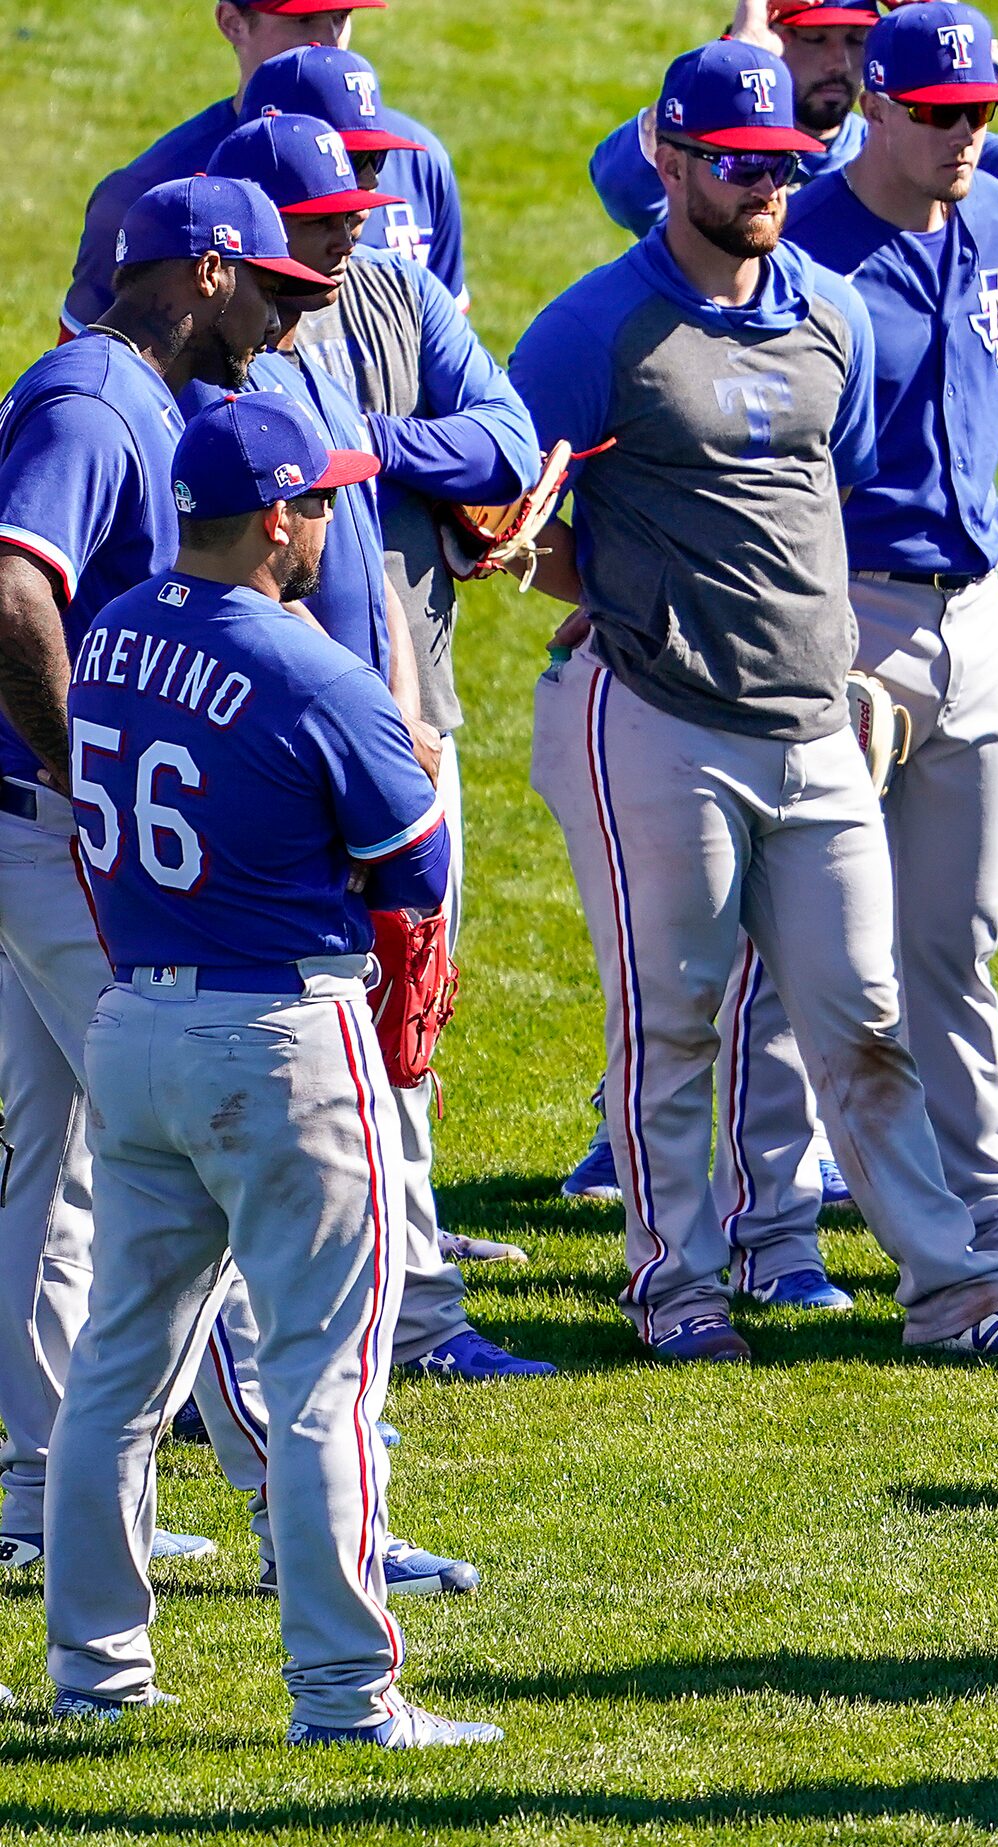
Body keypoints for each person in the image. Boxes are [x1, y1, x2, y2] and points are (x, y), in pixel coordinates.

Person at [513, 41, 998, 1365]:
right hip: (657, 718)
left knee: (865, 1016)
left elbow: (833, 492)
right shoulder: (597, 327)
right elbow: (509, 509)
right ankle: (682, 1294)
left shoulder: (829, 313)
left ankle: (957, 1299)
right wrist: (609, 592)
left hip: (811, 719)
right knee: (673, 1021)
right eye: (735, 161)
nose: (765, 181)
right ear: (667, 160)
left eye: (781, 159)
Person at [42, 391, 499, 1749]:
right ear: (283, 517)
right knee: (323, 1376)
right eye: (321, 503)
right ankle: (349, 1697)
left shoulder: (111, 632)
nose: (331, 525)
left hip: (135, 1023)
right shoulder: (312, 675)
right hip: (279, 1039)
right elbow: (415, 861)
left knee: (119, 1370)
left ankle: (96, 1674)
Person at [739, 0, 998, 1301]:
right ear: (877, 109)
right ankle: (775, 1232)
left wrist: (993, 64)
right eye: (944, 116)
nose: (968, 138)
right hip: (845, 612)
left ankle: (990, 1220)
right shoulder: (807, 241)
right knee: (801, 943)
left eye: (981, 119)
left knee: (956, 937)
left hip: (979, 612)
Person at [195, 112, 552, 1391]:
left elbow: (503, 441)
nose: (349, 239)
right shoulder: (228, 367)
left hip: (379, 728)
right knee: (289, 1059)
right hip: (286, 755)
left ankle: (406, 1312)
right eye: (322, 225)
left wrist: (393, 681)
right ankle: (282, 1350)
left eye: (357, 210)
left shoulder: (338, 327)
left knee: (394, 1032)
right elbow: (246, 575)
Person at [0, 177, 314, 1578]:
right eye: (272, 288)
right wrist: (91, 775)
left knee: (50, 1175)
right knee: (210, 1140)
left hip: (26, 827)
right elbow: (16, 584)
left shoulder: (127, 394)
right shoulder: (88, 402)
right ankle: (290, 1505)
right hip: (43, 829)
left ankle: (37, 1498)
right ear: (200, 272)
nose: (283, 321)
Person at [61, 5, 467, 340]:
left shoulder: (419, 161)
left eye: (341, 17)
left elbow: (450, 357)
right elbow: (87, 385)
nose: (329, 40)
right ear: (232, 22)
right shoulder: (148, 195)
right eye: (304, 20)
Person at [584, 0, 998, 237]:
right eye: (813, 40)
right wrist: (734, 59)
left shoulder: (917, 147)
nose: (838, 63)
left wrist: (969, 53)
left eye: (856, 40)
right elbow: (624, 186)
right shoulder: (719, 167)